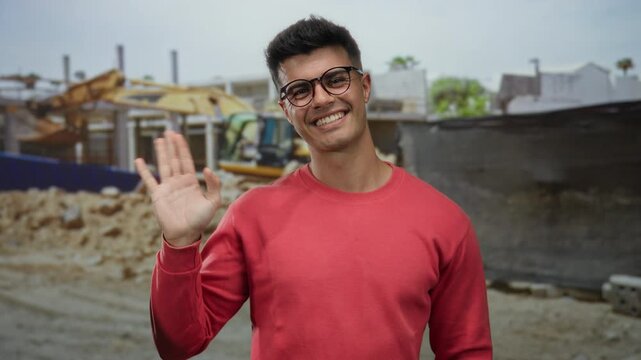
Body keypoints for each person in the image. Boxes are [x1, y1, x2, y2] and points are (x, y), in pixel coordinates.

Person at [135, 16, 492, 360]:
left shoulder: (444, 222)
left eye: (336, 79)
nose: (321, 99)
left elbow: (466, 352)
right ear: (286, 110)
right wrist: (180, 244)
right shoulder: (252, 215)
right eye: (300, 90)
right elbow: (179, 344)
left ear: (364, 87)